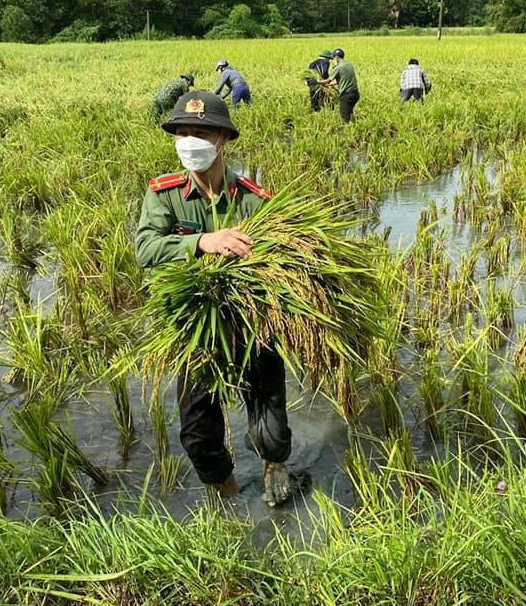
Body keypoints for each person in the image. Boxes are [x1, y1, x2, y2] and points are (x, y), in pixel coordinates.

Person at [135, 90, 292, 508]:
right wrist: (204, 241)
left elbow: (285, 260)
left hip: (251, 326)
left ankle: (274, 464)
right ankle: (228, 492)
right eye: (182, 132)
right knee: (198, 434)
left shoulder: (254, 199)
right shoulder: (163, 195)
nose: (190, 142)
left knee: (270, 428)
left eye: (201, 133)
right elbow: (145, 249)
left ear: (223, 138)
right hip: (195, 330)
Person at [320, 48, 359, 123]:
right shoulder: (349, 64)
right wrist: (329, 84)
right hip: (355, 94)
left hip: (346, 95)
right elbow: (342, 80)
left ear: (337, 57)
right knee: (350, 113)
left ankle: (349, 131)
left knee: (345, 117)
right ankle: (354, 125)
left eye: (334, 58)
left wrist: (318, 81)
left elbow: (328, 80)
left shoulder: (338, 68)